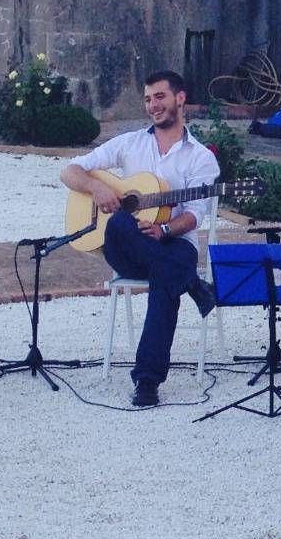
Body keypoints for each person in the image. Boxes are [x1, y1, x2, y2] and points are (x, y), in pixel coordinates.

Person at [60, 70, 220, 407]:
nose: (152, 105)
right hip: (128, 247)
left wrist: (164, 230)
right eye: (148, 99)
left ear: (179, 98)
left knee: (167, 278)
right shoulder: (129, 142)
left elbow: (194, 215)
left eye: (159, 97)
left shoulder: (201, 157)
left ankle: (147, 381)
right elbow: (69, 170)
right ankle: (193, 284)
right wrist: (99, 187)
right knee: (119, 222)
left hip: (174, 245)